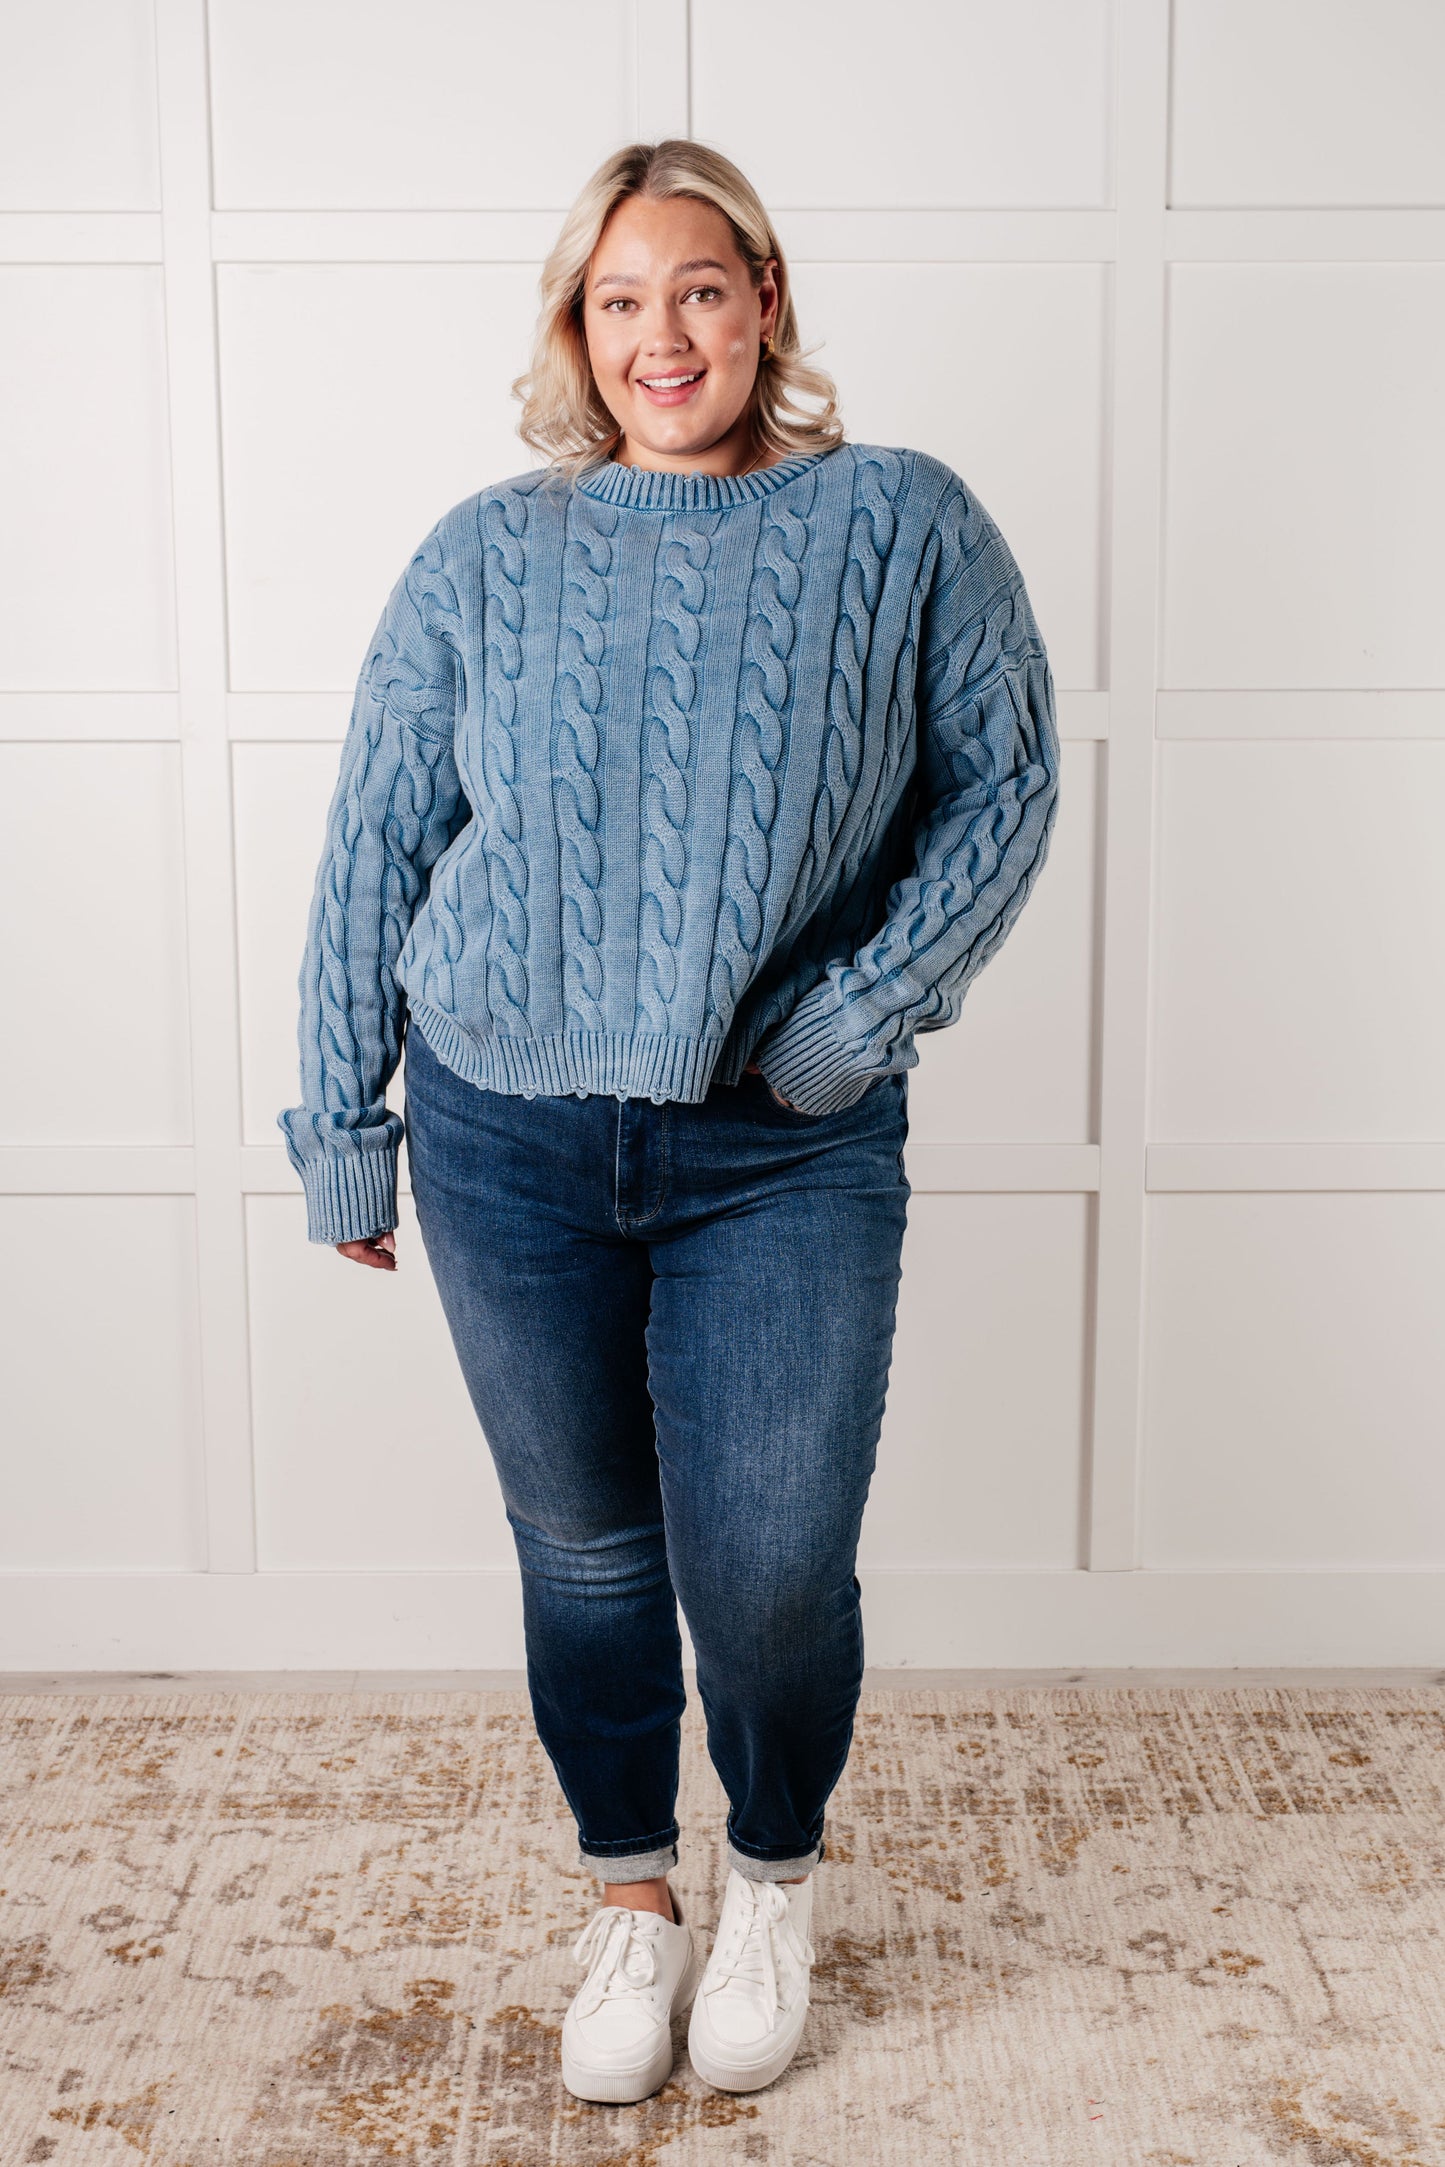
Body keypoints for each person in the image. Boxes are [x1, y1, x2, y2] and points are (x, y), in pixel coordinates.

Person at [278, 137, 1061, 2105]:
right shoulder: (483, 552)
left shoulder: (900, 523)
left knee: (775, 1564)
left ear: (767, 304)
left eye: (698, 288)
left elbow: (1007, 782)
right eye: (617, 300)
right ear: (576, 330)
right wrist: (342, 1122)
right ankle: (631, 1897)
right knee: (590, 1554)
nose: (662, 333)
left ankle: (772, 1875)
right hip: (501, 1133)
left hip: (783, 1144)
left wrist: (857, 1018)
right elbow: (378, 835)